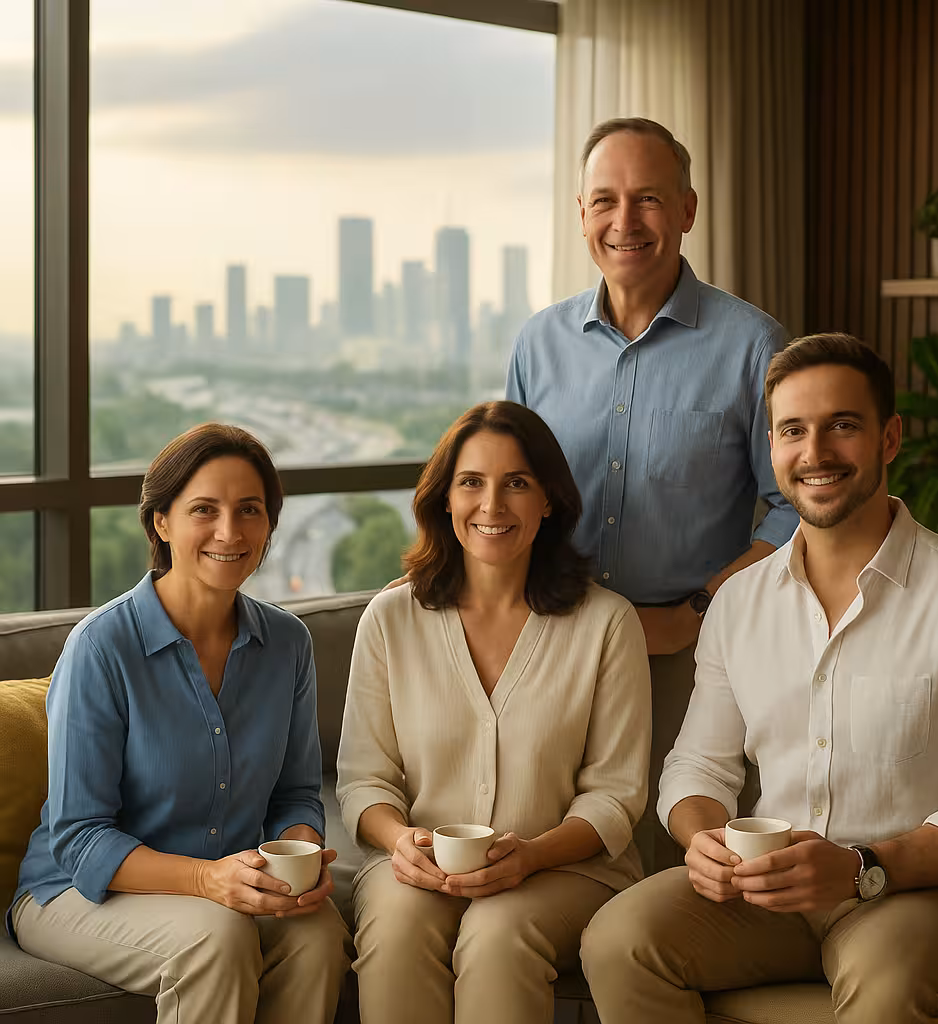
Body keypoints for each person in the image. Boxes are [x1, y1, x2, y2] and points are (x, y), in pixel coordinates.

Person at [580, 333, 938, 1023]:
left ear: (889, 438)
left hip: (917, 897)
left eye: (842, 426)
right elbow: (697, 767)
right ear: (774, 446)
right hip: (764, 897)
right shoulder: (738, 602)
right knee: (618, 941)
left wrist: (861, 864)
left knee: (883, 998)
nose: (814, 453)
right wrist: (702, 839)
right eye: (794, 431)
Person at [10, 423, 349, 1024]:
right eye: (204, 510)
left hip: (227, 884)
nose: (229, 531)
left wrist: (300, 856)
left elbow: (296, 795)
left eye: (250, 510)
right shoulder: (102, 648)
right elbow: (80, 835)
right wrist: (206, 880)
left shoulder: (288, 644)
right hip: (76, 890)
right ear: (161, 523)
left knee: (317, 933)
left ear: (270, 523)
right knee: (214, 938)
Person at [337, 400, 651, 1024]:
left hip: (566, 871)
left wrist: (530, 856)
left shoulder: (607, 623)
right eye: (471, 483)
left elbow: (615, 797)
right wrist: (401, 842)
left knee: (497, 932)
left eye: (517, 484)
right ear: (444, 501)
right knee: (396, 929)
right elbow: (363, 780)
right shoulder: (390, 619)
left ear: (549, 501)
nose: (492, 505)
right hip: (415, 870)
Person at [506, 116, 798, 658]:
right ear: (581, 214)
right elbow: (506, 490)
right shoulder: (537, 343)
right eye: (604, 201)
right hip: (550, 645)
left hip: (692, 655)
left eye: (647, 199)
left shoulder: (755, 347)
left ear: (687, 209)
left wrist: (699, 613)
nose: (624, 221)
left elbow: (796, 507)